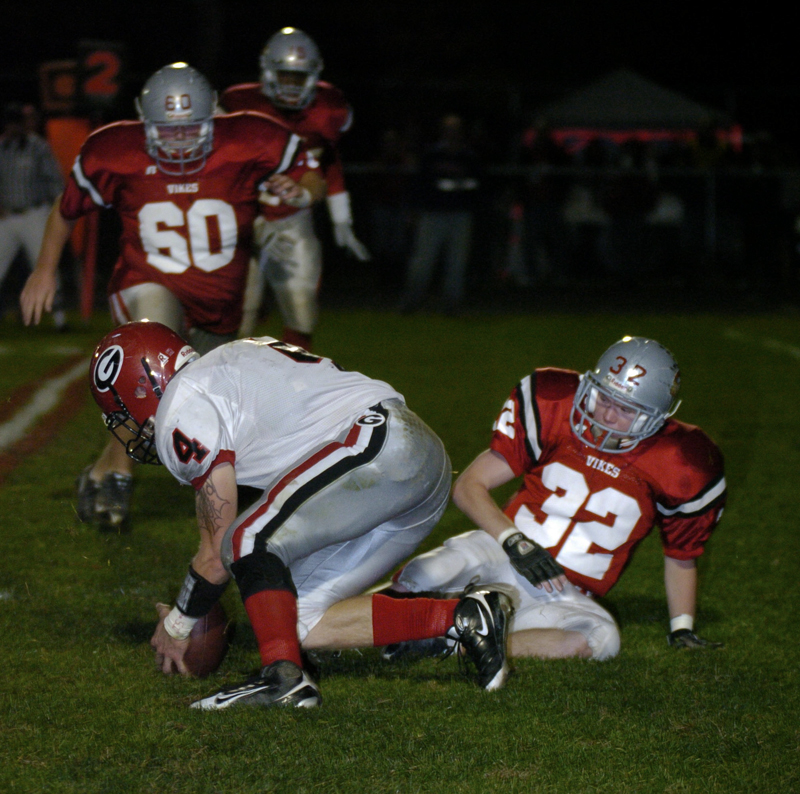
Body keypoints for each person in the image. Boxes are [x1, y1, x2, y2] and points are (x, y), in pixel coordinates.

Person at [88, 320, 514, 708]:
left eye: (120, 411)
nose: (124, 426)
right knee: (299, 619)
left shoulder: (181, 406)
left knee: (244, 539)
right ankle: (464, 617)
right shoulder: (227, 365)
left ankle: (282, 678)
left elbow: (217, 556)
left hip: (375, 446)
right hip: (416, 463)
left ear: (143, 386)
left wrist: (179, 624)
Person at [20, 62, 322, 532]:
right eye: (167, 131)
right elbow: (66, 211)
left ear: (214, 119)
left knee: (192, 402)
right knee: (157, 374)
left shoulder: (252, 137)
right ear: (144, 123)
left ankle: (101, 468)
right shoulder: (114, 150)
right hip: (146, 281)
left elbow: (312, 178)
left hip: (219, 301)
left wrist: (301, 193)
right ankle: (119, 475)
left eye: (190, 130)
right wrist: (44, 270)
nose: (179, 142)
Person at [385, 336, 726, 661]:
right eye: (604, 398)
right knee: (433, 571)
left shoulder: (682, 461)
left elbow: (682, 554)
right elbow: (469, 485)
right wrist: (515, 543)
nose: (607, 416)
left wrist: (682, 628)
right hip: (501, 551)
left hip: (565, 592)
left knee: (600, 638)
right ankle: (367, 616)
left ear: (655, 418)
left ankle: (451, 643)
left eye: (625, 409)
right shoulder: (554, 404)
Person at [220, 27, 370, 346]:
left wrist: (342, 219)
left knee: (302, 310)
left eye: (298, 78)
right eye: (285, 76)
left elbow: (329, 162)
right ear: (268, 73)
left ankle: (295, 386)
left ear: (313, 77)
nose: (291, 86)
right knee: (239, 313)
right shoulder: (238, 105)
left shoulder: (328, 109)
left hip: (292, 217)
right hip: (242, 218)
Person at [398, 113, 482, 314]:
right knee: (422, 262)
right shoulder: (432, 155)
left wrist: (463, 190)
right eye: (448, 129)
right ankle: (411, 302)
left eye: (455, 129)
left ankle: (452, 305)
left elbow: (478, 186)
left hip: (460, 215)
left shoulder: (469, 157)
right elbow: (420, 185)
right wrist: (415, 210)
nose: (452, 133)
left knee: (457, 263)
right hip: (433, 214)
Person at [0, 102, 66, 328]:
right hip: (7, 217)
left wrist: (53, 212)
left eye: (15, 123)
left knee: (46, 264)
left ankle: (59, 318)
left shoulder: (38, 147)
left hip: (34, 214)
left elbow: (55, 181)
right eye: (8, 124)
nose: (11, 128)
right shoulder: (1, 148)